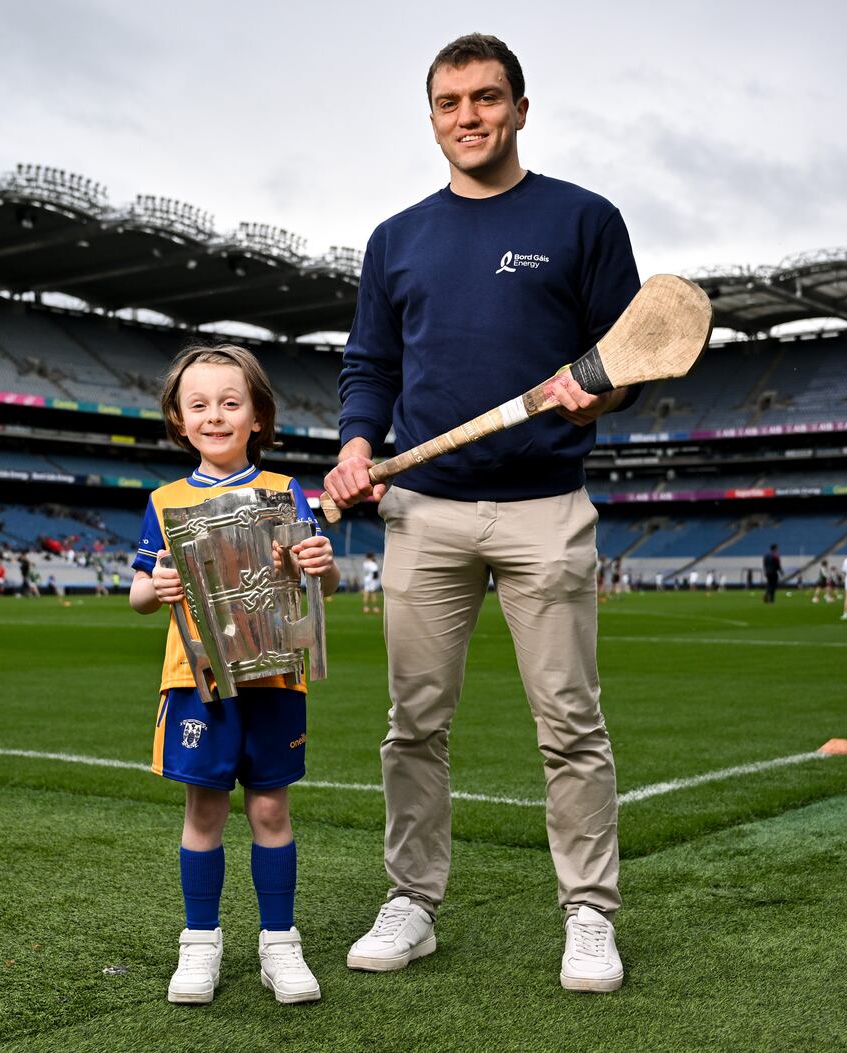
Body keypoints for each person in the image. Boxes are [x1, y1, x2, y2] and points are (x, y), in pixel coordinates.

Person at [323, 33, 641, 993]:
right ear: (432, 118)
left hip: (547, 506)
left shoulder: (584, 219)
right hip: (423, 510)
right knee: (413, 722)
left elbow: (626, 358)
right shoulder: (396, 238)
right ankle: (412, 901)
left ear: (521, 108)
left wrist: (600, 395)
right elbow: (370, 368)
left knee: (570, 724)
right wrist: (353, 446)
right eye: (451, 102)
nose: (470, 116)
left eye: (487, 98)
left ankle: (589, 913)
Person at [130, 343, 340, 1006]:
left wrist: (321, 560)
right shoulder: (163, 501)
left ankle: (280, 943)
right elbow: (138, 594)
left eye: (230, 403)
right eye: (199, 405)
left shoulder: (284, 492)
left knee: (272, 806)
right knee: (206, 807)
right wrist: (156, 583)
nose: (215, 415)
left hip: (274, 675)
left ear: (256, 416)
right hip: (196, 680)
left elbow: (324, 584)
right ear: (178, 418)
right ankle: (201, 943)